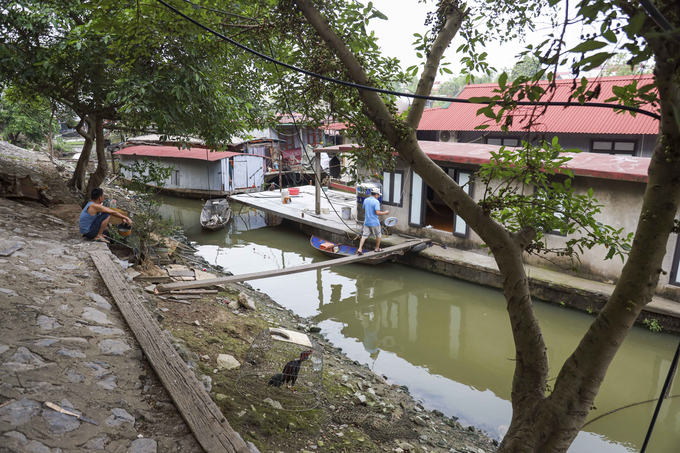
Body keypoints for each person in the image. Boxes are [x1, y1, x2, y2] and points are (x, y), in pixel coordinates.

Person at [356, 188, 389, 255]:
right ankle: (377, 248)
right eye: (378, 195)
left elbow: (364, 211)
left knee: (364, 235)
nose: (378, 196)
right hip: (374, 222)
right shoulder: (376, 202)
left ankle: (360, 248)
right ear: (376, 195)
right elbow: (377, 212)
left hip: (366, 222)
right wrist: (385, 213)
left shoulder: (366, 200)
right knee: (378, 235)